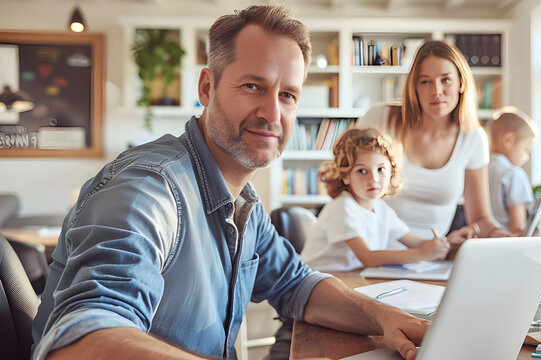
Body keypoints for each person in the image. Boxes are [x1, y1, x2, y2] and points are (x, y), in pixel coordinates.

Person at [31, 6, 428, 360]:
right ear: (207, 88)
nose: (273, 112)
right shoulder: (149, 189)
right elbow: (79, 341)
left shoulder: (242, 202)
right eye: (253, 86)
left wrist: (385, 317)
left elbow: (296, 284)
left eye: (288, 94)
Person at [357, 40, 507, 247]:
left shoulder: (473, 138)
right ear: (414, 88)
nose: (436, 91)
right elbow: (343, 181)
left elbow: (480, 218)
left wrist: (500, 234)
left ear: (461, 83)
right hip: (370, 249)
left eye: (445, 80)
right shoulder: (380, 118)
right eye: (425, 82)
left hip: (432, 256)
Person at [301, 128, 451, 271]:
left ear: (391, 171)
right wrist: (422, 254)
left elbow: (417, 243)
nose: (374, 179)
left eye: (381, 169)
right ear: (346, 176)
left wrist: (441, 244)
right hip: (319, 281)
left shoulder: (381, 208)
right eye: (362, 171)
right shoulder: (342, 207)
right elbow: (368, 258)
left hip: (351, 278)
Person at [487, 106, 538, 234]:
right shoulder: (514, 174)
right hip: (507, 244)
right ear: (508, 140)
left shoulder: (481, 170)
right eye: (525, 149)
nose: (526, 157)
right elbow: (518, 228)